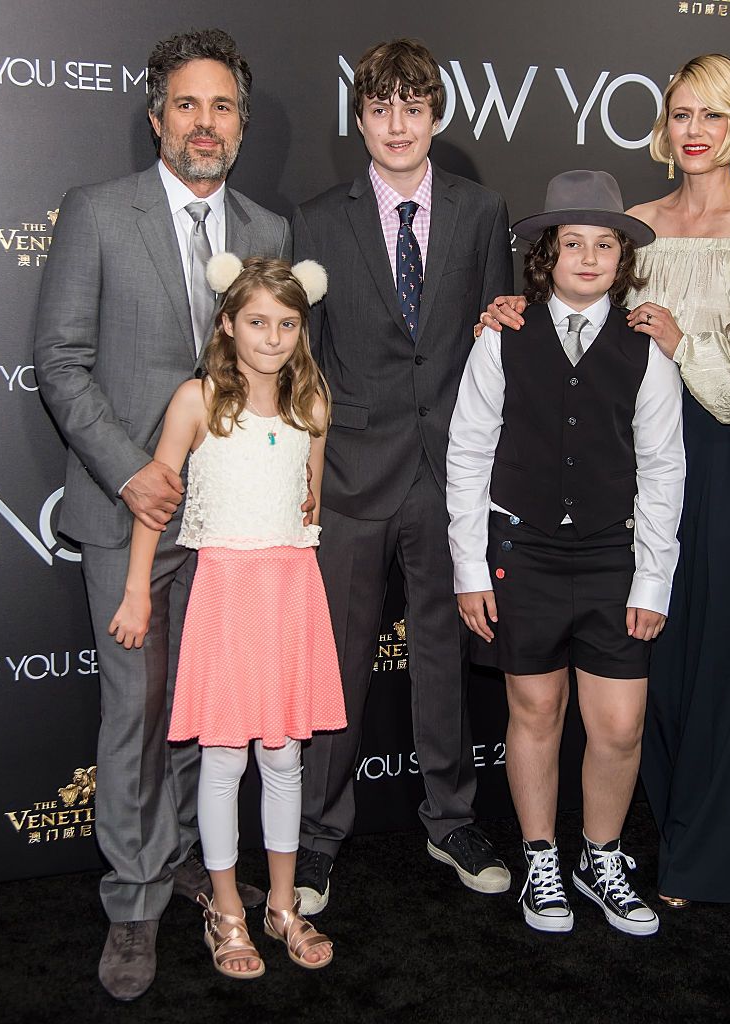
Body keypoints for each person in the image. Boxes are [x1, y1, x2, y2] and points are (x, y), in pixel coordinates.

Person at [479, 54, 730, 907]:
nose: (696, 132)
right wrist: (510, 312)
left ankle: (707, 850)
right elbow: (578, 312)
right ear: (664, 127)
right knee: (654, 663)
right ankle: (725, 802)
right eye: (681, 115)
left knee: (722, 654)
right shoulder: (634, 224)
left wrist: (688, 346)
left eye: (713, 115)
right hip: (631, 470)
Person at [33, 29, 294, 1000]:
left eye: (221, 106)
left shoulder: (269, 231)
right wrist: (130, 470)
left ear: (242, 122)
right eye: (186, 104)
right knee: (137, 710)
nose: (204, 123)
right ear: (156, 118)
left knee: (210, 707)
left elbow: (282, 381)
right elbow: (59, 359)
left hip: (234, 528)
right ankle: (135, 897)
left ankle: (189, 856)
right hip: (126, 512)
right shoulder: (99, 213)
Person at [291, 38, 514, 913]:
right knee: (336, 664)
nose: (397, 125)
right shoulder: (314, 219)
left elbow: (495, 341)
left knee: (443, 659)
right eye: (380, 108)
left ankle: (450, 818)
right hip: (348, 473)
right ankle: (314, 837)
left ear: (436, 117)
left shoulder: (483, 210)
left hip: (449, 475)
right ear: (359, 120)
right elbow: (302, 358)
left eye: (413, 108)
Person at [448, 170, 684, 935]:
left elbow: (663, 467)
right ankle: (541, 857)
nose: (588, 257)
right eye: (573, 243)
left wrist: (653, 577)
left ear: (623, 258)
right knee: (536, 708)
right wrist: (470, 566)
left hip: (614, 559)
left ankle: (601, 856)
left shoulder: (647, 347)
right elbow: (468, 452)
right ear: (547, 255)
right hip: (527, 553)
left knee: (618, 724)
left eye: (604, 244)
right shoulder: (502, 334)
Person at [109, 255, 345, 978]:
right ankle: (226, 910)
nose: (272, 338)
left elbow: (309, 500)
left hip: (290, 590)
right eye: (256, 322)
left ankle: (281, 906)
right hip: (223, 591)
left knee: (282, 755)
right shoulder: (197, 400)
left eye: (286, 324)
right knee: (221, 759)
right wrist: (137, 589)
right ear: (227, 324)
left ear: (302, 330)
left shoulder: (313, 404)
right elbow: (156, 503)